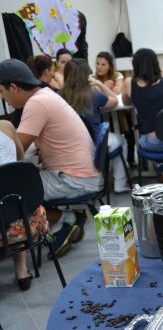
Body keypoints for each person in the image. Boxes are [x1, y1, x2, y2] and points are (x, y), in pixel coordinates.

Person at [0, 59, 101, 257]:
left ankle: (66, 219)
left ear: (13, 87)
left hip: (74, 178)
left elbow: (16, 150)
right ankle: (67, 221)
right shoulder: (45, 95)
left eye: (2, 92)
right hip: (82, 173)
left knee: (12, 194)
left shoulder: (36, 104)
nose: (4, 99)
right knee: (21, 182)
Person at [60, 58, 130, 193]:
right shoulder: (93, 94)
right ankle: (120, 183)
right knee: (121, 140)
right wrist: (99, 83)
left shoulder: (58, 96)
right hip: (94, 145)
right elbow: (114, 101)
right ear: (87, 76)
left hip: (70, 147)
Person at [0, 120, 48, 291]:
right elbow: (19, 162)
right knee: (13, 199)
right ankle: (21, 270)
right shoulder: (6, 127)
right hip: (23, 218)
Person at [123, 49, 163, 154]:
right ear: (156, 63)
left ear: (135, 64)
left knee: (142, 140)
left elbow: (126, 102)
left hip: (154, 143)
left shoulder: (129, 82)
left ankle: (160, 163)